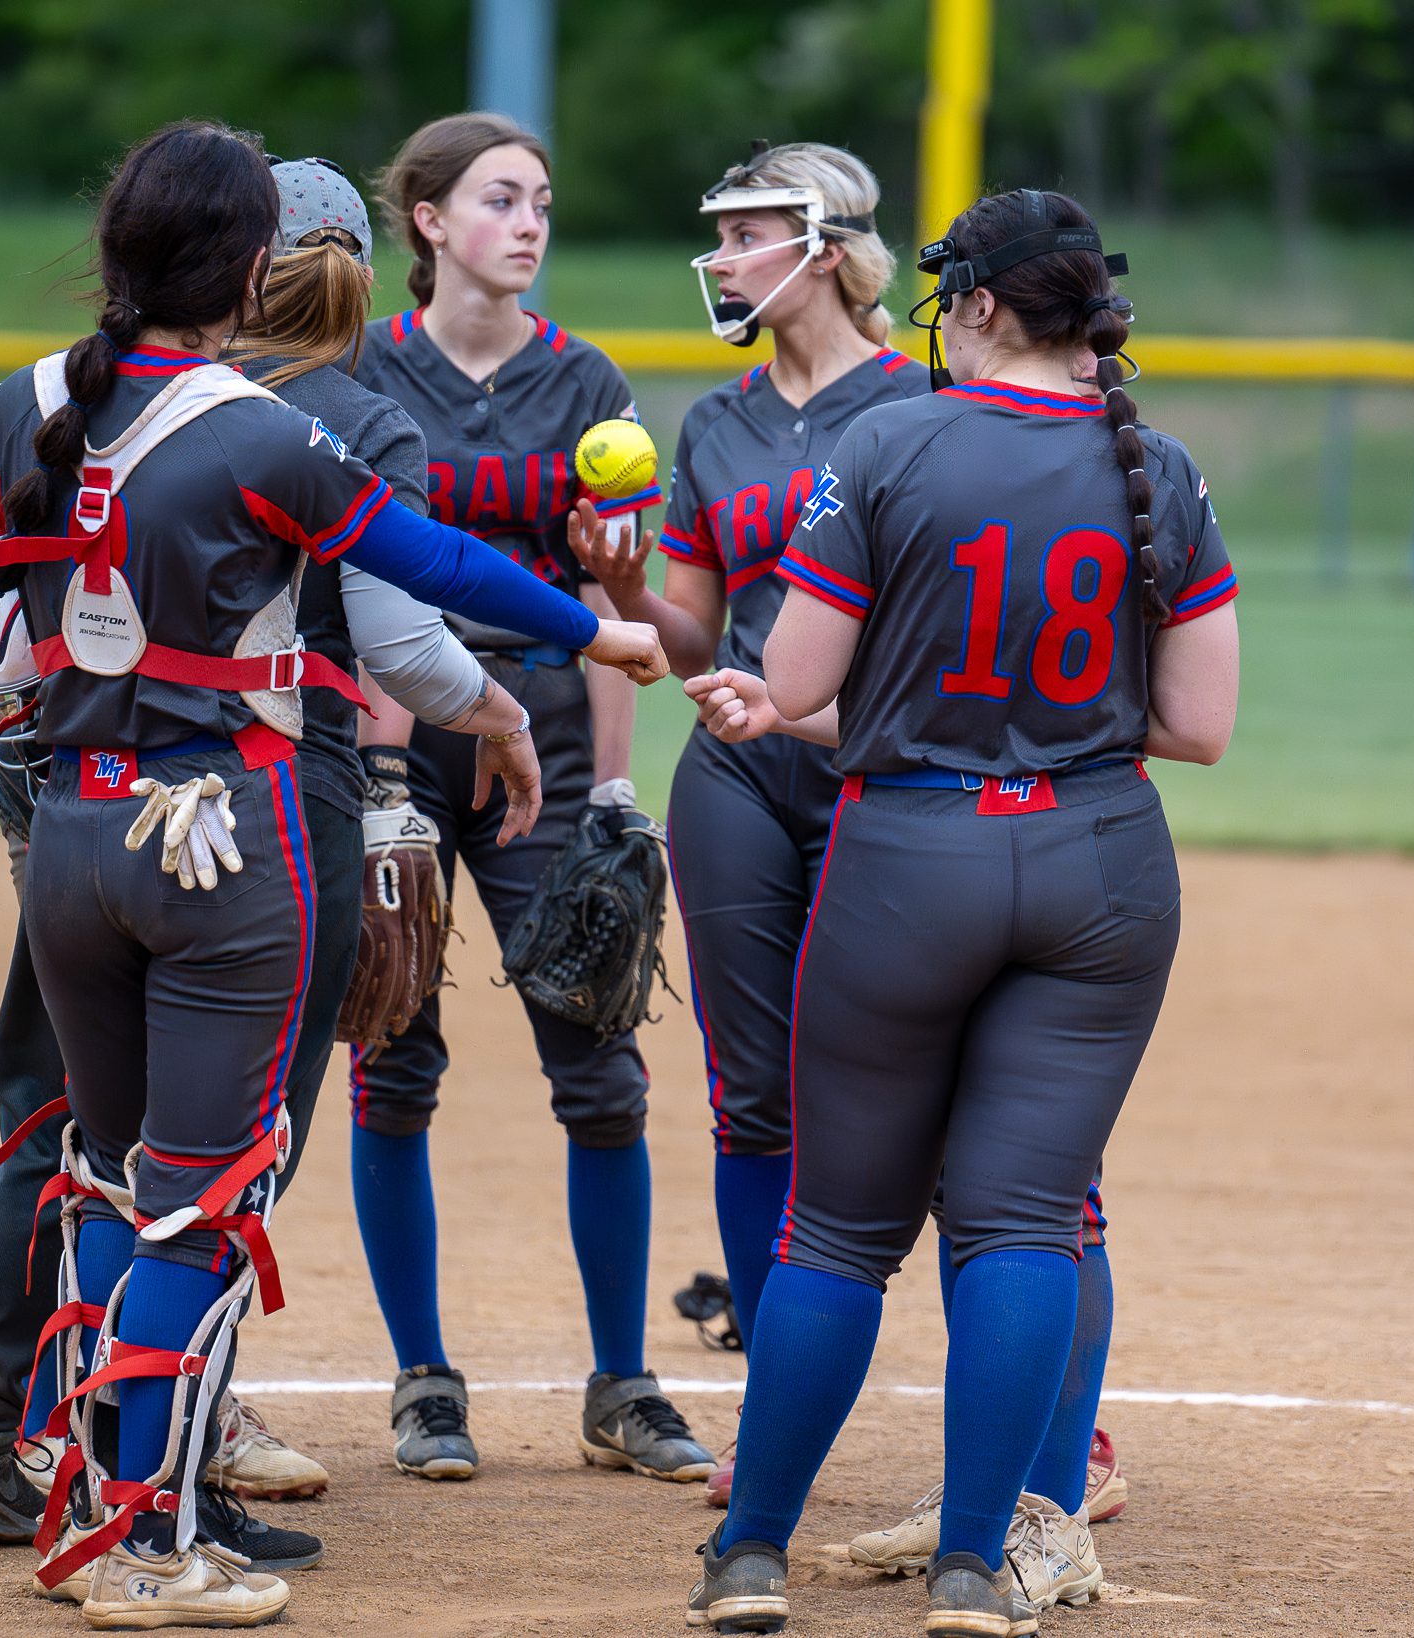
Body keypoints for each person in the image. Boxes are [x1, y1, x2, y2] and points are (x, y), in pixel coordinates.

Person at [0, 119, 664, 1628]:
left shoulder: (28, 400)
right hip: (220, 841)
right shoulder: (259, 432)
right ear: (250, 269)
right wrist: (595, 633)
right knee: (201, 1200)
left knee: (107, 1175)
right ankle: (144, 1542)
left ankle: (89, 1489)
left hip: (72, 830)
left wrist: (66, 659)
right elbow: (426, 571)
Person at [0, 157, 558, 1551]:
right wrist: (523, 700)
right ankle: (166, 1470)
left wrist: (60, 664)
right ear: (332, 273)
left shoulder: (75, 391)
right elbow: (409, 639)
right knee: (217, 1163)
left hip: (74, 795)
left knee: (61, 1126)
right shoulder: (340, 423)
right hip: (263, 809)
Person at [678, 187, 1237, 1638]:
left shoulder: (887, 440)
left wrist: (872, 708)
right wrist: (1057, 724)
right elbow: (1198, 725)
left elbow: (798, 683)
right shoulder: (1157, 464)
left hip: (910, 856)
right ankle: (978, 1570)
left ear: (980, 303)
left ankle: (751, 1554)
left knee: (836, 1232)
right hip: (1101, 860)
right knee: (1026, 1222)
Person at [346, 110, 714, 1485]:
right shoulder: (362, 368)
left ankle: (623, 1384)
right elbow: (345, 583)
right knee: (393, 1056)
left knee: (599, 1063)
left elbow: (613, 605)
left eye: (542, 202)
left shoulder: (586, 382)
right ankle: (422, 1381)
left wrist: (613, 784)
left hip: (544, 739)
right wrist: (377, 772)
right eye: (500, 198)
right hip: (393, 738)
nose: (529, 223)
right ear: (429, 220)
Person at [567, 138, 921, 1507]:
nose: (718, 257)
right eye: (717, 235)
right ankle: (777, 1423)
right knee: (751, 1093)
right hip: (738, 773)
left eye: (744, 233)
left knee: (928, 1095)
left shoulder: (925, 402)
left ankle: (1041, 1425)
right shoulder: (714, 424)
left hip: (883, 774)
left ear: (823, 246)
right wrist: (625, 586)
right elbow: (691, 642)